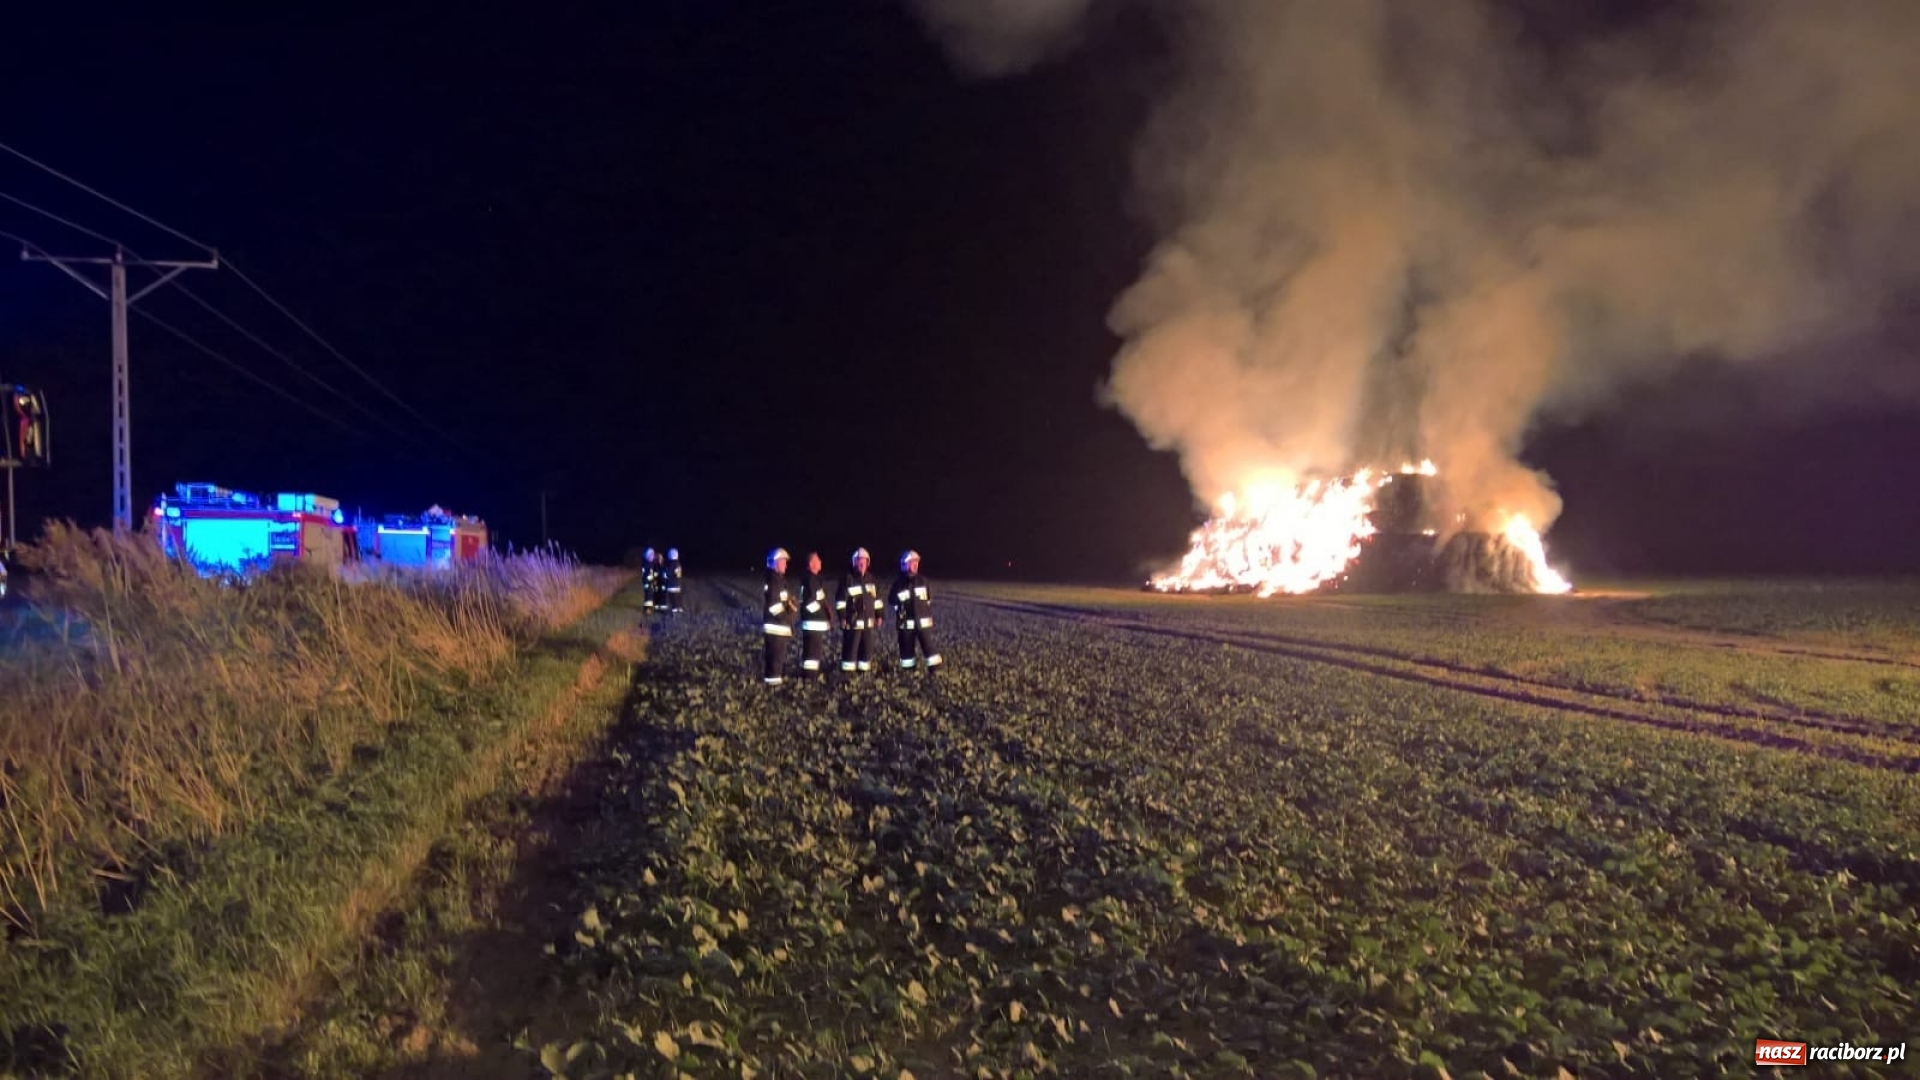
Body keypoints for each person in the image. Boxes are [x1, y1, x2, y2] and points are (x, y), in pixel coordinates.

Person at [888, 549, 942, 674]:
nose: (915, 565)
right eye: (912, 562)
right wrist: (901, 612)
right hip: (906, 624)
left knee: (928, 645)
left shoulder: (923, 581)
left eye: (916, 562)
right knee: (906, 648)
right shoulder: (898, 584)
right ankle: (908, 671)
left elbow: (928, 599)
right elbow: (892, 601)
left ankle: (936, 669)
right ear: (904, 565)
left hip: (923, 622)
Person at [836, 546, 881, 674]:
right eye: (859, 561)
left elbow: (877, 600)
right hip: (853, 621)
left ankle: (863, 673)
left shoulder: (871, 580)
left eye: (864, 561)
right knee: (851, 648)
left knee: (867, 648)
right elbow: (840, 601)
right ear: (854, 562)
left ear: (868, 563)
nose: (862, 563)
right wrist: (843, 617)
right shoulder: (847, 579)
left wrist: (879, 615)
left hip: (868, 622)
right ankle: (847, 674)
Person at [761, 547, 798, 685]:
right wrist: (788, 617)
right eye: (783, 562)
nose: (786, 565)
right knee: (775, 659)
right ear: (775, 563)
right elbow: (774, 607)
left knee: (778, 659)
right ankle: (772, 687)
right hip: (775, 628)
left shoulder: (779, 581)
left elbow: (782, 602)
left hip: (779, 627)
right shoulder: (773, 581)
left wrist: (791, 606)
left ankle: (774, 683)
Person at [796, 551, 833, 678]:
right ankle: (810, 676)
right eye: (818, 560)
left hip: (813, 622)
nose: (821, 562)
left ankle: (809, 674)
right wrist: (823, 615)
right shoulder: (811, 580)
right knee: (813, 651)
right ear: (812, 564)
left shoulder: (812, 580)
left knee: (812, 651)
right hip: (813, 622)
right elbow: (810, 603)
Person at [664, 547, 685, 613]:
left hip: (672, 585)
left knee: (673, 599)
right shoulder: (678, 564)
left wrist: (664, 574)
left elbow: (668, 574)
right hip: (678, 584)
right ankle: (680, 609)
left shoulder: (672, 564)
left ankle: (675, 611)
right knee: (678, 598)